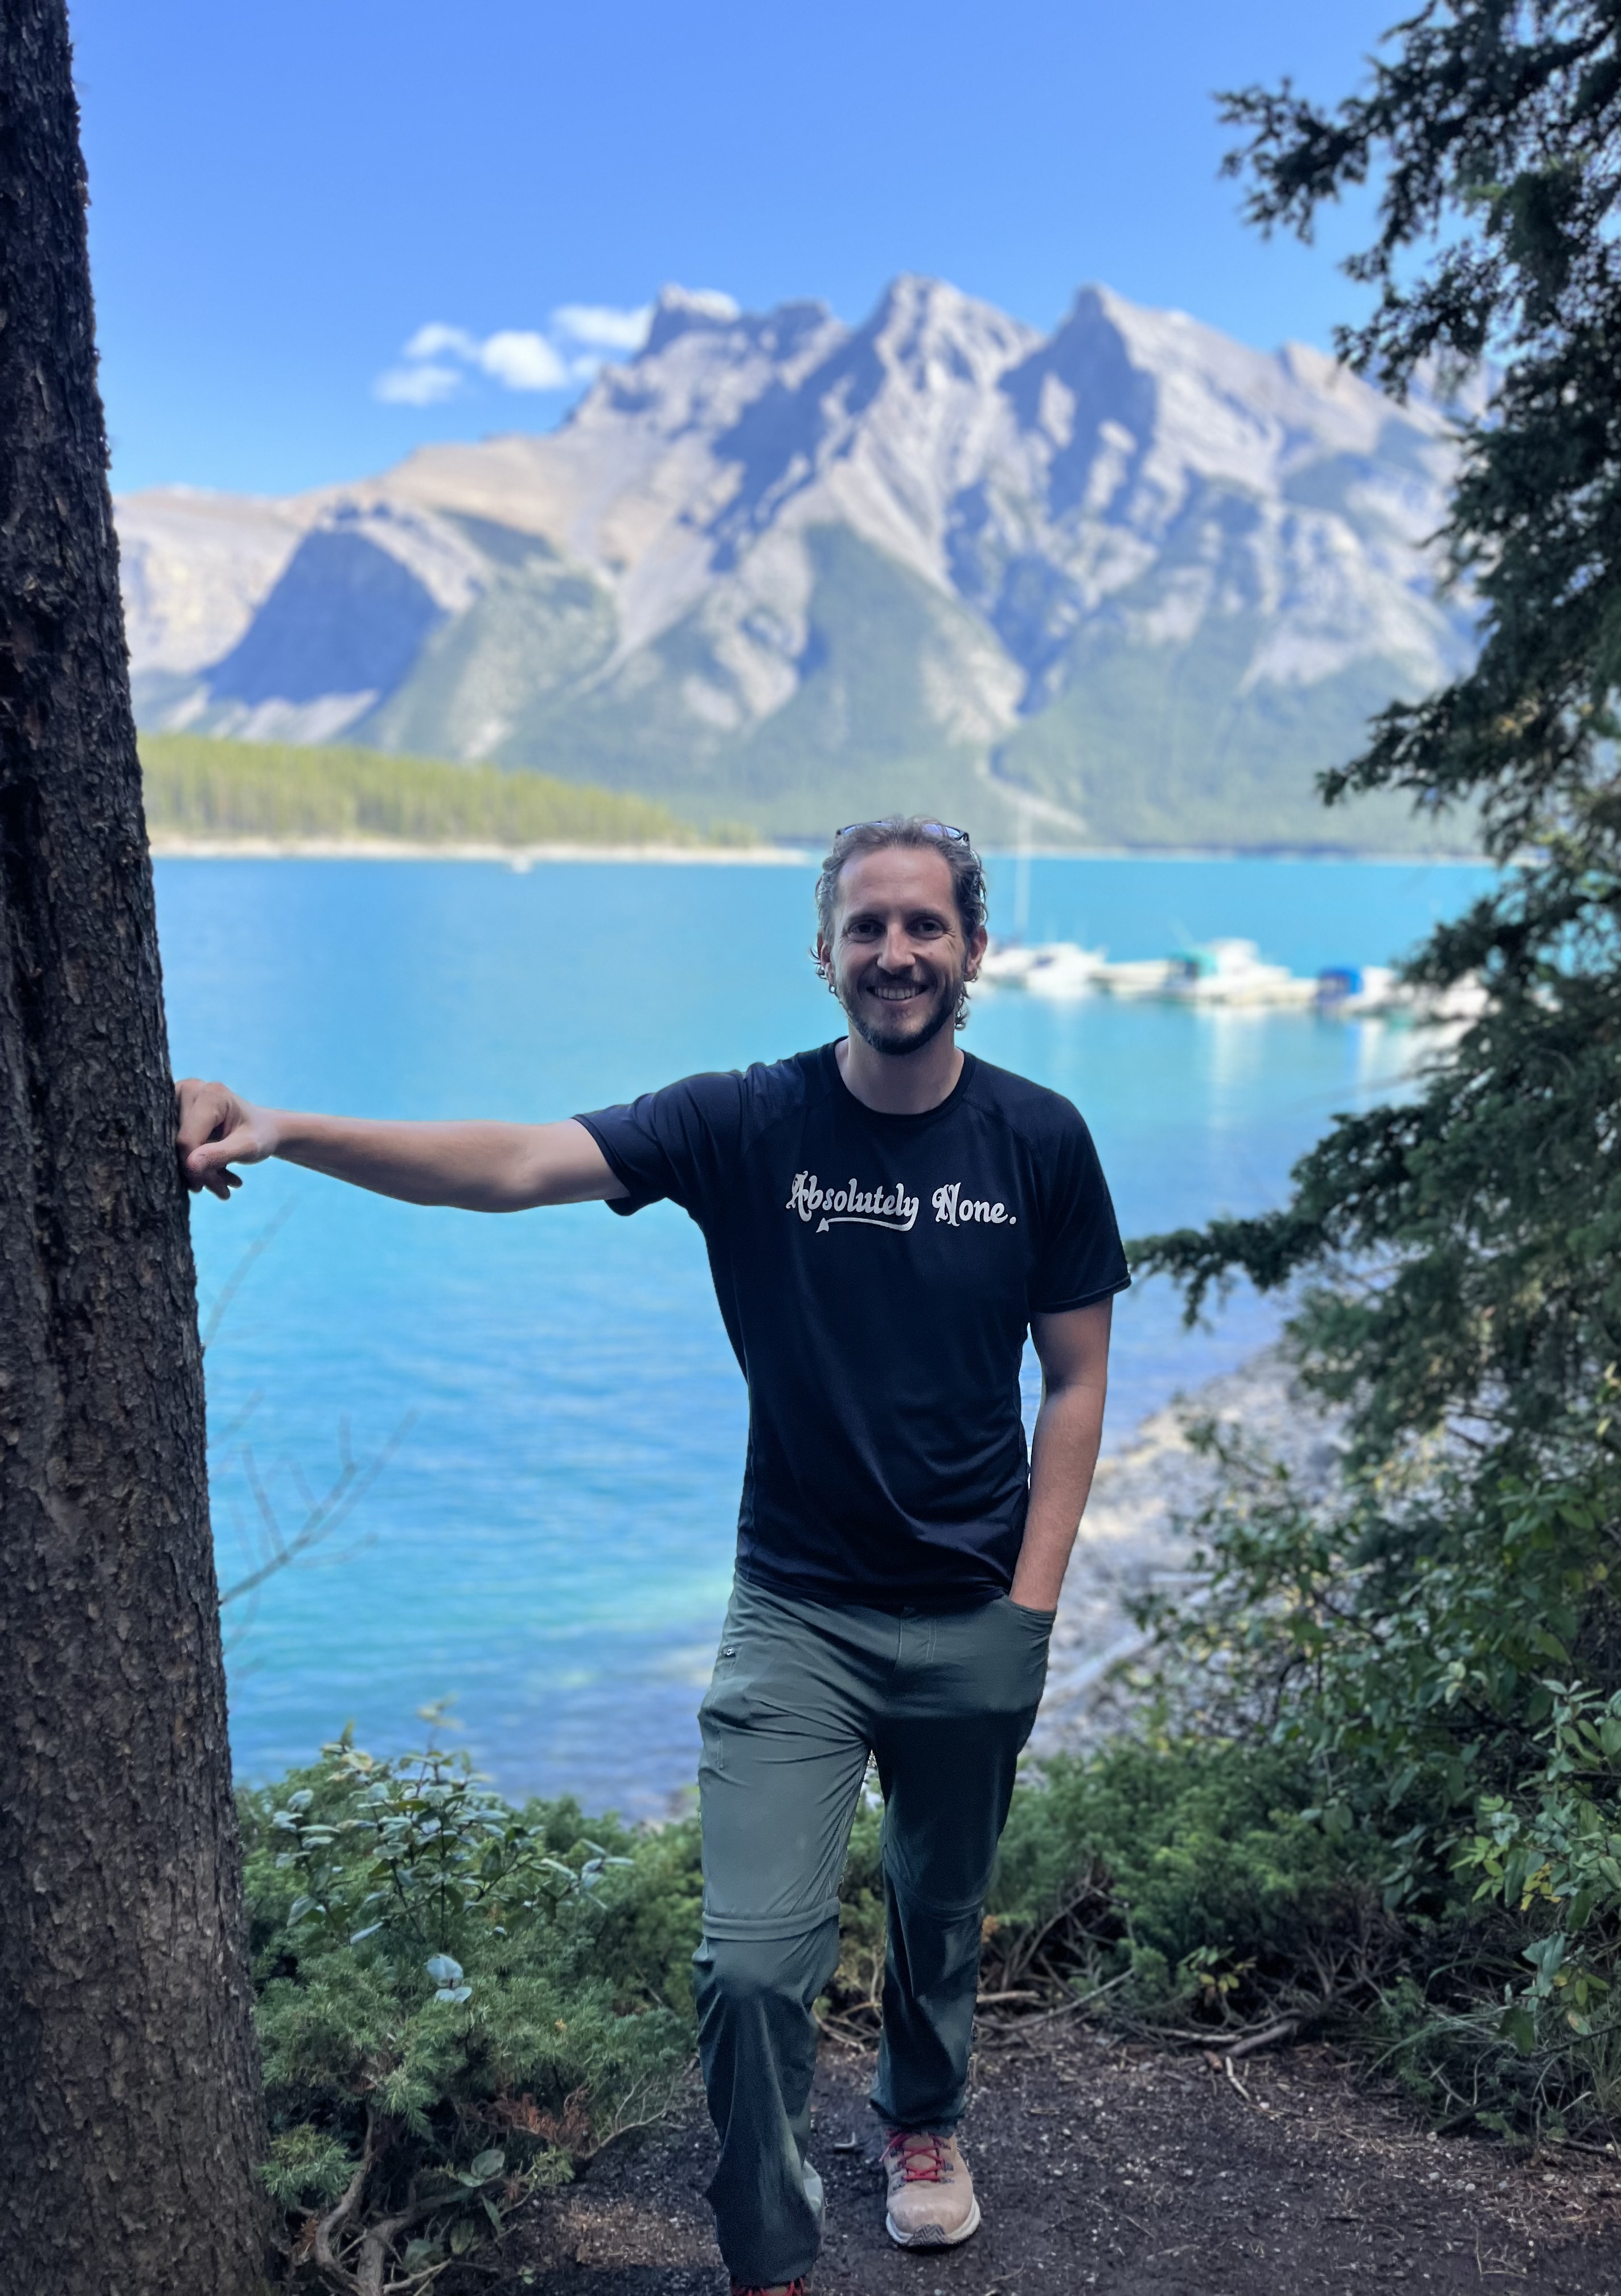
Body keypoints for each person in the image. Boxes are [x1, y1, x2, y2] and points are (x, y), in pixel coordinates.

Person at [176, 816, 1128, 2296]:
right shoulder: (747, 1123)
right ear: (827, 952)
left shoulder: (1041, 1140)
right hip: (796, 1618)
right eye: (867, 927)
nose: (896, 953)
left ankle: (922, 2120)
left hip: (971, 1617)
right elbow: (505, 1164)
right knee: (752, 1965)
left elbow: (1075, 1381)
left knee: (940, 1909)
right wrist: (290, 1129)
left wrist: (1029, 1609)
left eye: (924, 927)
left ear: (972, 951)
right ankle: (773, 2262)